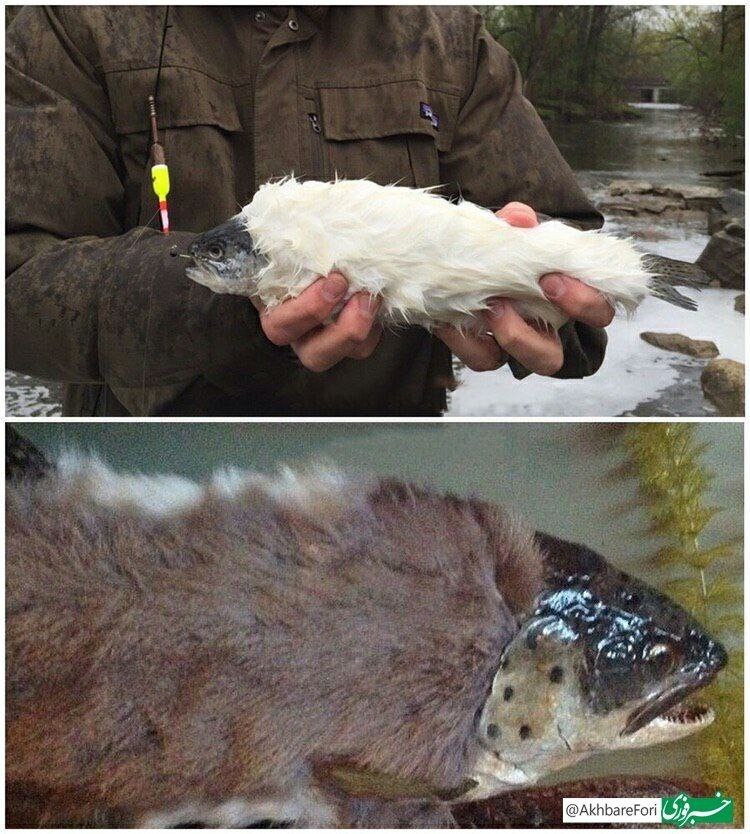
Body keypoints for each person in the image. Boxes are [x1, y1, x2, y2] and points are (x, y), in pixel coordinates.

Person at [6, 6, 614, 416]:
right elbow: (15, 283)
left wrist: (554, 317)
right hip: (136, 475)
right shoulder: (69, 21)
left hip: (390, 479)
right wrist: (229, 309)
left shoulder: (450, 38)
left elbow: (570, 243)